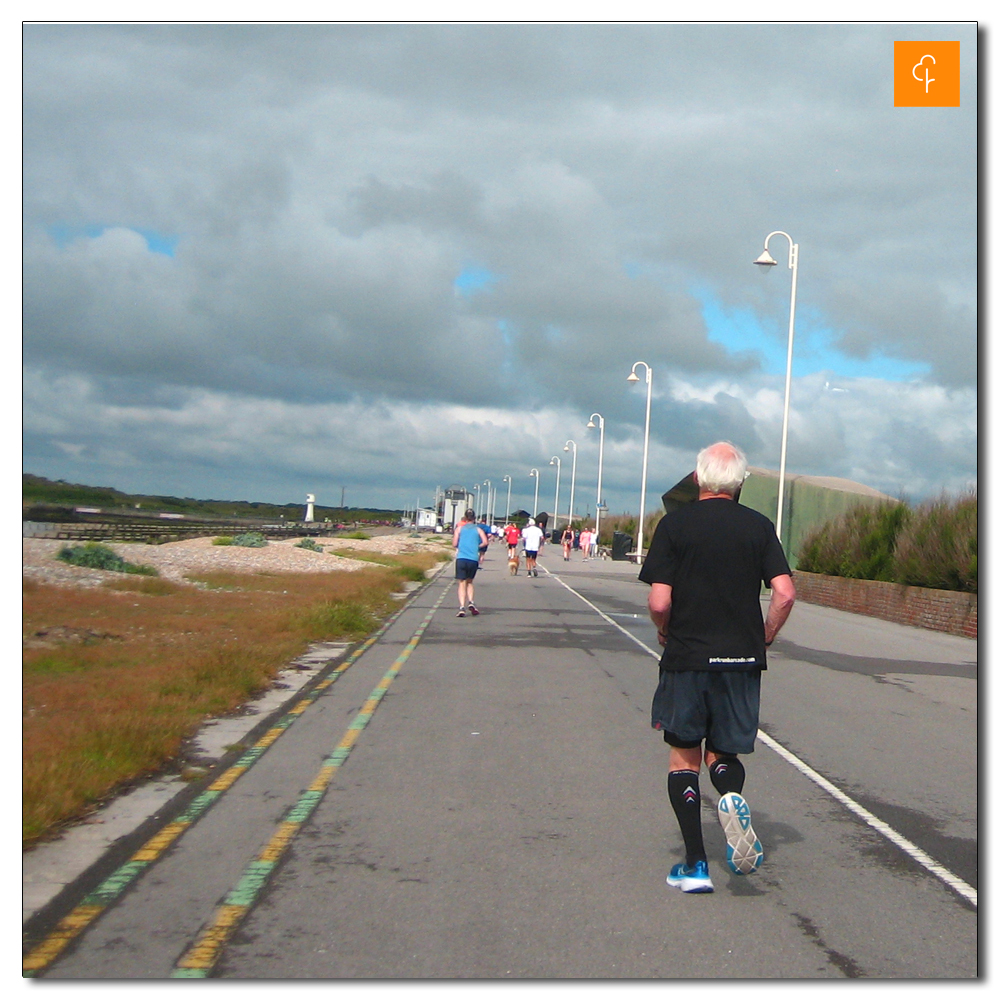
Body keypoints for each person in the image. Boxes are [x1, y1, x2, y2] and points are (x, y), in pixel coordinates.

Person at [638, 441, 795, 894]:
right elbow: (784, 593)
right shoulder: (759, 527)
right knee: (723, 753)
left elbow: (659, 599)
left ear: (698, 478)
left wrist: (663, 628)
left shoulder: (676, 525)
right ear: (740, 482)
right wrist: (765, 635)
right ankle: (729, 793)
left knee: (684, 757)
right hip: (741, 661)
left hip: (688, 657)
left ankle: (694, 865)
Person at [453, 509, 488, 617]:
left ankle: (462, 607)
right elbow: (485, 542)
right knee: (470, 582)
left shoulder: (459, 529)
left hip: (462, 558)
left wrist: (461, 545)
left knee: (461, 583)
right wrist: (477, 546)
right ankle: (471, 602)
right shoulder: (478, 530)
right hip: (473, 559)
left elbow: (454, 543)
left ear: (465, 517)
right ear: (474, 518)